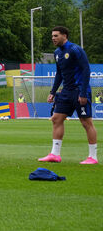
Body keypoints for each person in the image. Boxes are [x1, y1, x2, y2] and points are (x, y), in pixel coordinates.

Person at [38, 26, 98, 165]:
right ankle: (55, 154)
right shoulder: (57, 52)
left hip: (79, 90)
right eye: (52, 36)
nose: (53, 38)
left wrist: (83, 93)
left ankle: (93, 157)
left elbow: (86, 70)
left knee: (86, 122)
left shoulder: (75, 50)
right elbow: (59, 73)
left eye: (56, 36)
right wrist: (52, 92)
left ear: (65, 36)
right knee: (56, 119)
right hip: (66, 91)